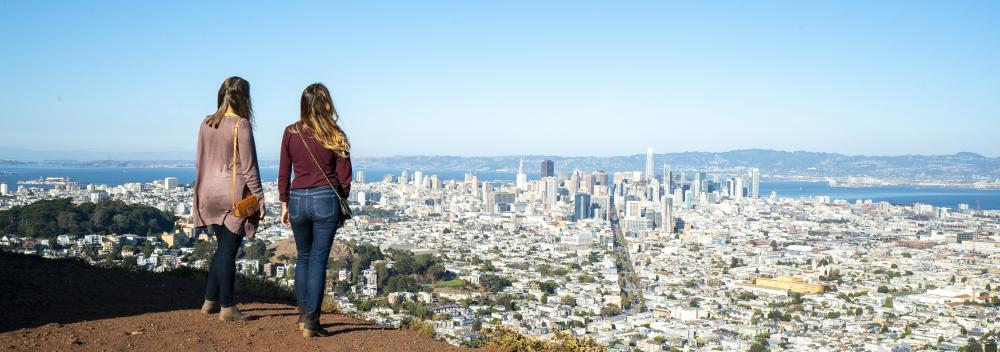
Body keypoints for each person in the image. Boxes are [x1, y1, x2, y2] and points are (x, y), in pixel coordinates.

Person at [278, 83, 352, 337]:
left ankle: (302, 317)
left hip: (297, 199)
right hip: (325, 200)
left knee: (304, 257)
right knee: (318, 260)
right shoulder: (335, 133)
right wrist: (339, 202)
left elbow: (284, 171)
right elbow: (345, 177)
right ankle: (312, 322)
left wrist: (284, 202)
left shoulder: (290, 132)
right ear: (326, 103)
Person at [192, 76, 266, 321]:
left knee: (221, 249)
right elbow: (249, 168)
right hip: (233, 198)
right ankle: (227, 307)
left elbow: (200, 160)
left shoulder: (206, 123)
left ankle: (209, 301)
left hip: (207, 193)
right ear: (244, 97)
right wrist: (260, 199)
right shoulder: (241, 125)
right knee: (228, 252)